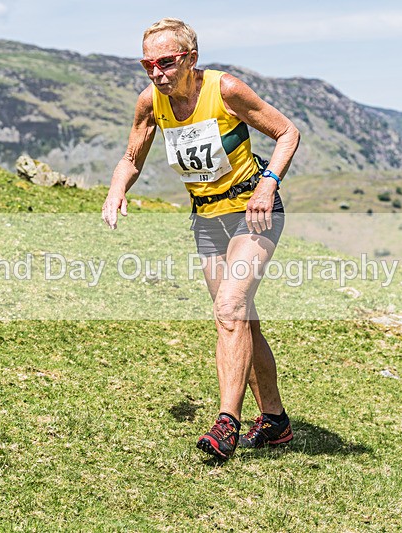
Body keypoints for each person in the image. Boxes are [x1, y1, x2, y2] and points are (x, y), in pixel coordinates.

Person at [102, 18, 300, 460]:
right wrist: (117, 190)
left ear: (191, 58)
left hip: (254, 211)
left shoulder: (226, 90)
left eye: (166, 62)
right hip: (207, 220)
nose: (157, 73)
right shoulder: (151, 102)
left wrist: (268, 184)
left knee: (230, 307)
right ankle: (275, 421)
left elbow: (288, 133)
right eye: (148, 64)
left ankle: (226, 424)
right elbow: (131, 157)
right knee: (239, 320)